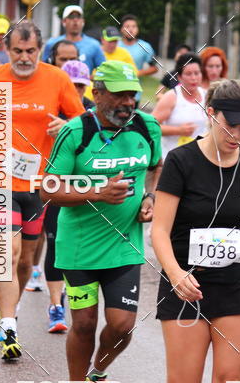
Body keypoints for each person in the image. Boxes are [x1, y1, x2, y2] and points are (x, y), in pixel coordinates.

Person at [151, 79, 240, 383]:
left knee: (230, 377)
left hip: (238, 282)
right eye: (231, 126)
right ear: (211, 113)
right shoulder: (180, 161)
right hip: (187, 283)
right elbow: (159, 230)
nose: (237, 135)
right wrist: (175, 274)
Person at [0, 21, 85, 359]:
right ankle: (8, 326)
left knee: (26, 259)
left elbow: (82, 123)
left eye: (31, 51)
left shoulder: (57, 79)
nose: (24, 57)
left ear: (40, 50)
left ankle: (10, 315)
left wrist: (66, 126)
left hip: (39, 184)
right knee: (7, 251)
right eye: (17, 51)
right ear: (6, 48)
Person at [40, 60, 162, 382]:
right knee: (84, 324)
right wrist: (98, 192)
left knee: (122, 325)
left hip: (124, 243)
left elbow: (156, 167)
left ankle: (97, 371)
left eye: (132, 95)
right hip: (79, 246)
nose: (127, 103)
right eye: (119, 95)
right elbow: (48, 189)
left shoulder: (148, 127)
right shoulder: (75, 132)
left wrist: (150, 197)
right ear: (97, 94)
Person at [24, 38, 80, 295]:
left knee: (57, 231)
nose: (68, 64)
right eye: (62, 59)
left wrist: (68, 127)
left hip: (68, 174)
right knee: (37, 231)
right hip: (36, 169)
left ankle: (58, 290)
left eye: (72, 59)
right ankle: (33, 268)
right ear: (52, 60)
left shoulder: (82, 93)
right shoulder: (43, 86)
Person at [152, 53, 207, 157]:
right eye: (188, 74)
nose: (194, 78)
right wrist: (178, 130)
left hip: (199, 158)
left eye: (197, 73)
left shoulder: (207, 96)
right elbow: (151, 127)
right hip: (172, 158)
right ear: (179, 77)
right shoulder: (171, 97)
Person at [43, 5, 105, 74]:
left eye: (78, 17)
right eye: (71, 17)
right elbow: (44, 69)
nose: (75, 20)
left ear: (83, 21)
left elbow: (103, 71)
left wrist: (89, 77)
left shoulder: (94, 45)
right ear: (64, 21)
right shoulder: (51, 44)